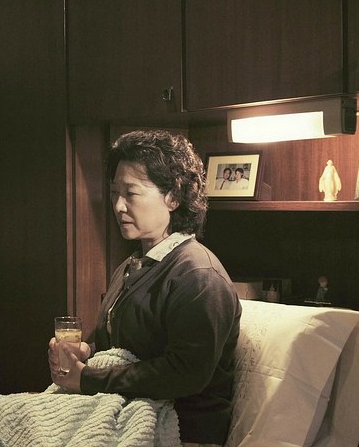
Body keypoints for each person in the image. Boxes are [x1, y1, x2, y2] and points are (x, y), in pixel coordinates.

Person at [48, 130, 241, 446]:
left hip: (182, 430)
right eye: (114, 193)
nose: (118, 206)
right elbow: (122, 348)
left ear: (173, 196)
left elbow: (184, 373)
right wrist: (85, 353)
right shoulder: (134, 265)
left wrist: (89, 378)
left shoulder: (198, 275)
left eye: (131, 193)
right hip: (123, 412)